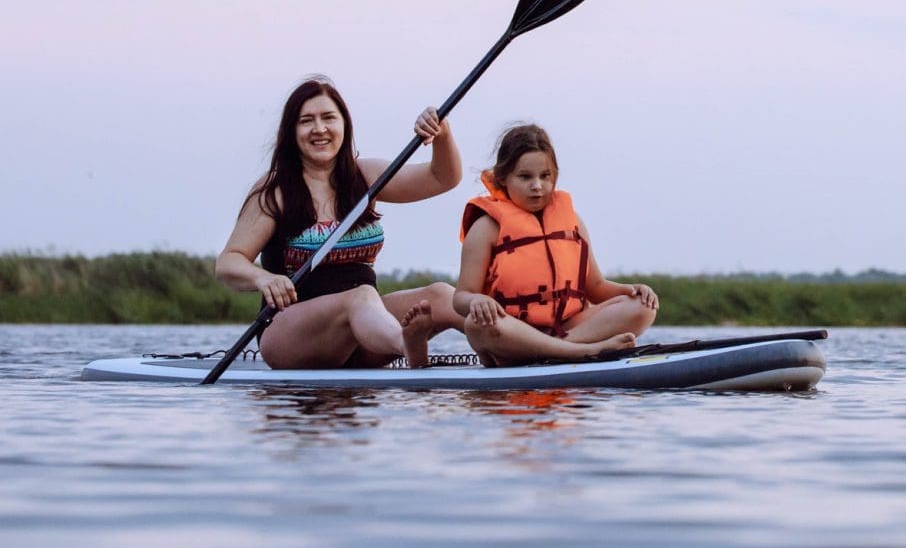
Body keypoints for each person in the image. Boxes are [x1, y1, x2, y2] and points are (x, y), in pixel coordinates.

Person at [216, 77, 464, 368]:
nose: (319, 129)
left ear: (344, 126)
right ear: (291, 132)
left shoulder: (367, 176)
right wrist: (264, 278)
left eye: (328, 118)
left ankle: (515, 343)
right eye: (306, 120)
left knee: (442, 295)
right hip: (290, 334)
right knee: (360, 298)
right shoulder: (274, 191)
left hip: (366, 332)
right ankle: (407, 345)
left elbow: (442, 178)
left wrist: (442, 134)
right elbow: (228, 263)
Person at [453, 123, 658, 364]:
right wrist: (476, 300)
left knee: (643, 307)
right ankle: (583, 351)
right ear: (503, 178)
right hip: (512, 330)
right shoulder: (485, 228)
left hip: (569, 328)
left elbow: (596, 287)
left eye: (545, 176)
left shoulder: (573, 222)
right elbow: (460, 298)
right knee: (475, 325)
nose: (537, 186)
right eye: (525, 177)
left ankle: (553, 351)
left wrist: (632, 289)